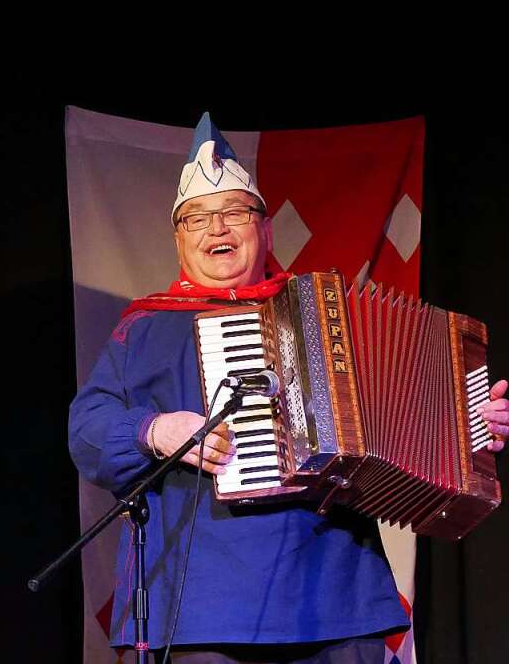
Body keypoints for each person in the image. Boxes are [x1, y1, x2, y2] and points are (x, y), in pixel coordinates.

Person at [68, 113, 509, 663]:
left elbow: (403, 414)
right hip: (204, 608)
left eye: (235, 213)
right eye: (198, 220)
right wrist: (156, 429)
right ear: (178, 239)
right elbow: (85, 432)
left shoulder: (323, 316)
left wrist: (467, 426)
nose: (217, 230)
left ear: (265, 228)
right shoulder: (144, 328)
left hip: (336, 597)